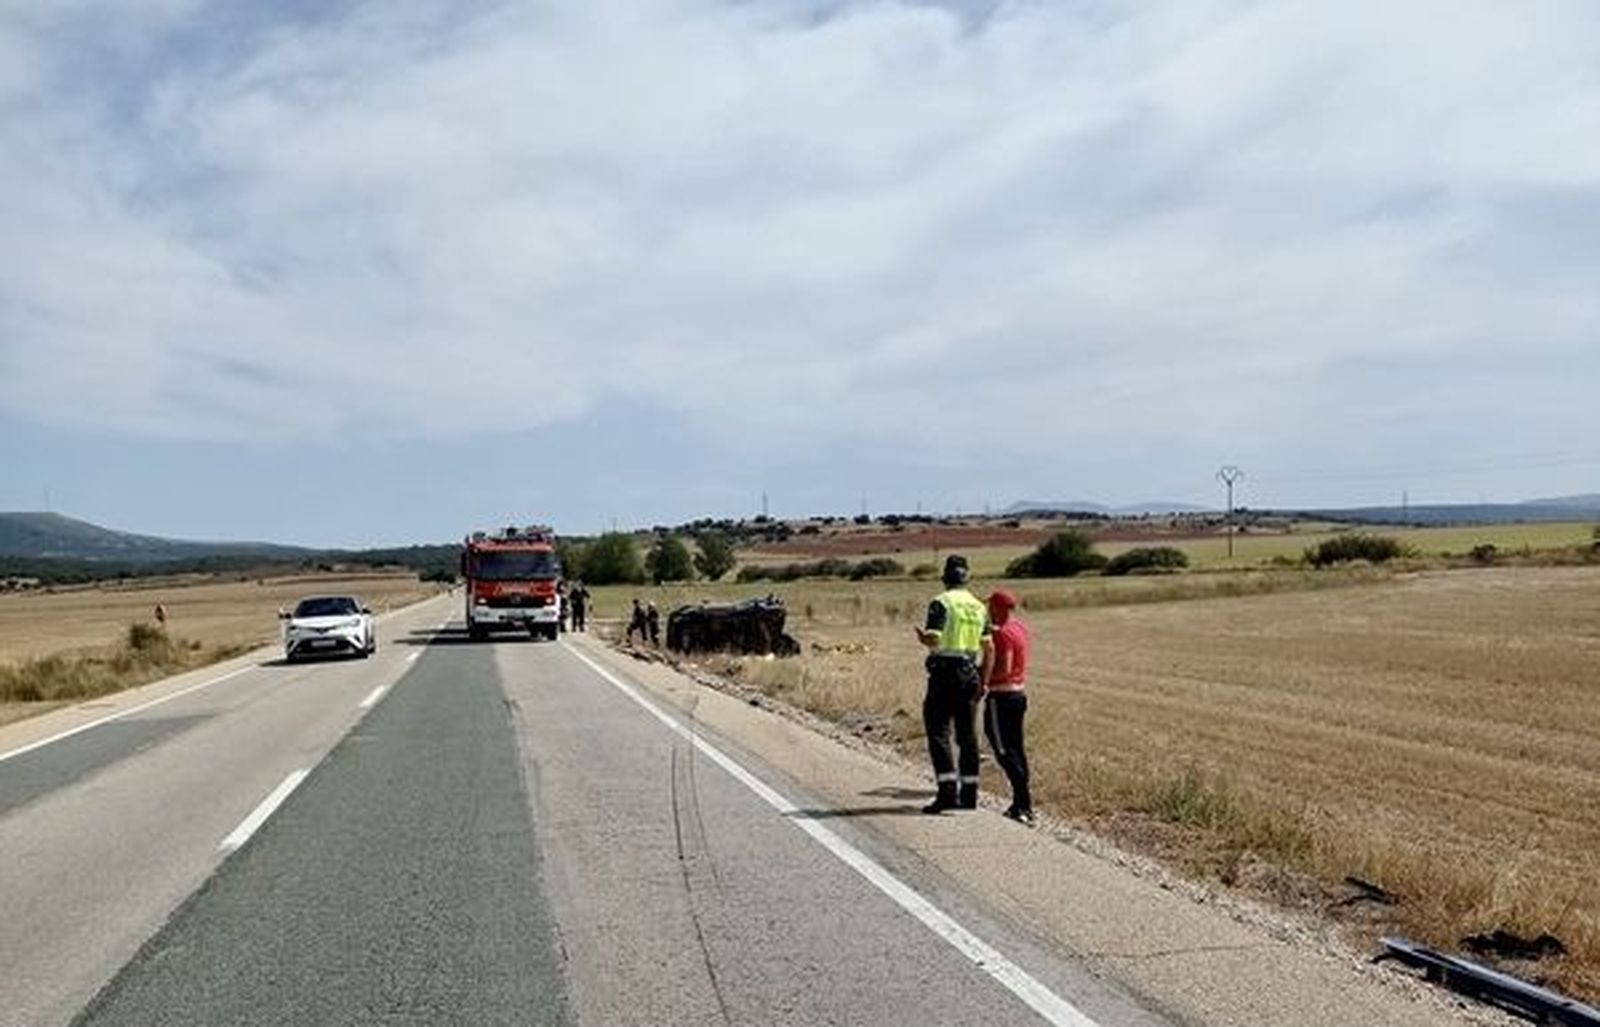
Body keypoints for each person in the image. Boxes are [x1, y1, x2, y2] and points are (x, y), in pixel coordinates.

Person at [915, 554, 992, 813]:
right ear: (967, 577)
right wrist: (985, 680)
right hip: (971, 672)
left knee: (939, 732)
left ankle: (947, 792)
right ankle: (969, 794)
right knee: (967, 736)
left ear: (945, 578)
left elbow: (933, 640)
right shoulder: (980, 607)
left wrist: (921, 637)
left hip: (945, 674)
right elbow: (988, 646)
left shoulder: (941, 602)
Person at [983, 589, 1033, 825]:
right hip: (1019, 695)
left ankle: (1023, 803)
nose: (987, 610)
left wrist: (983, 679)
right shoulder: (1019, 628)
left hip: (1000, 698)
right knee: (1017, 749)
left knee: (1004, 751)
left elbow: (1004, 667)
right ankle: (1020, 803)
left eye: (990, 606)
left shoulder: (1001, 635)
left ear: (997, 608)